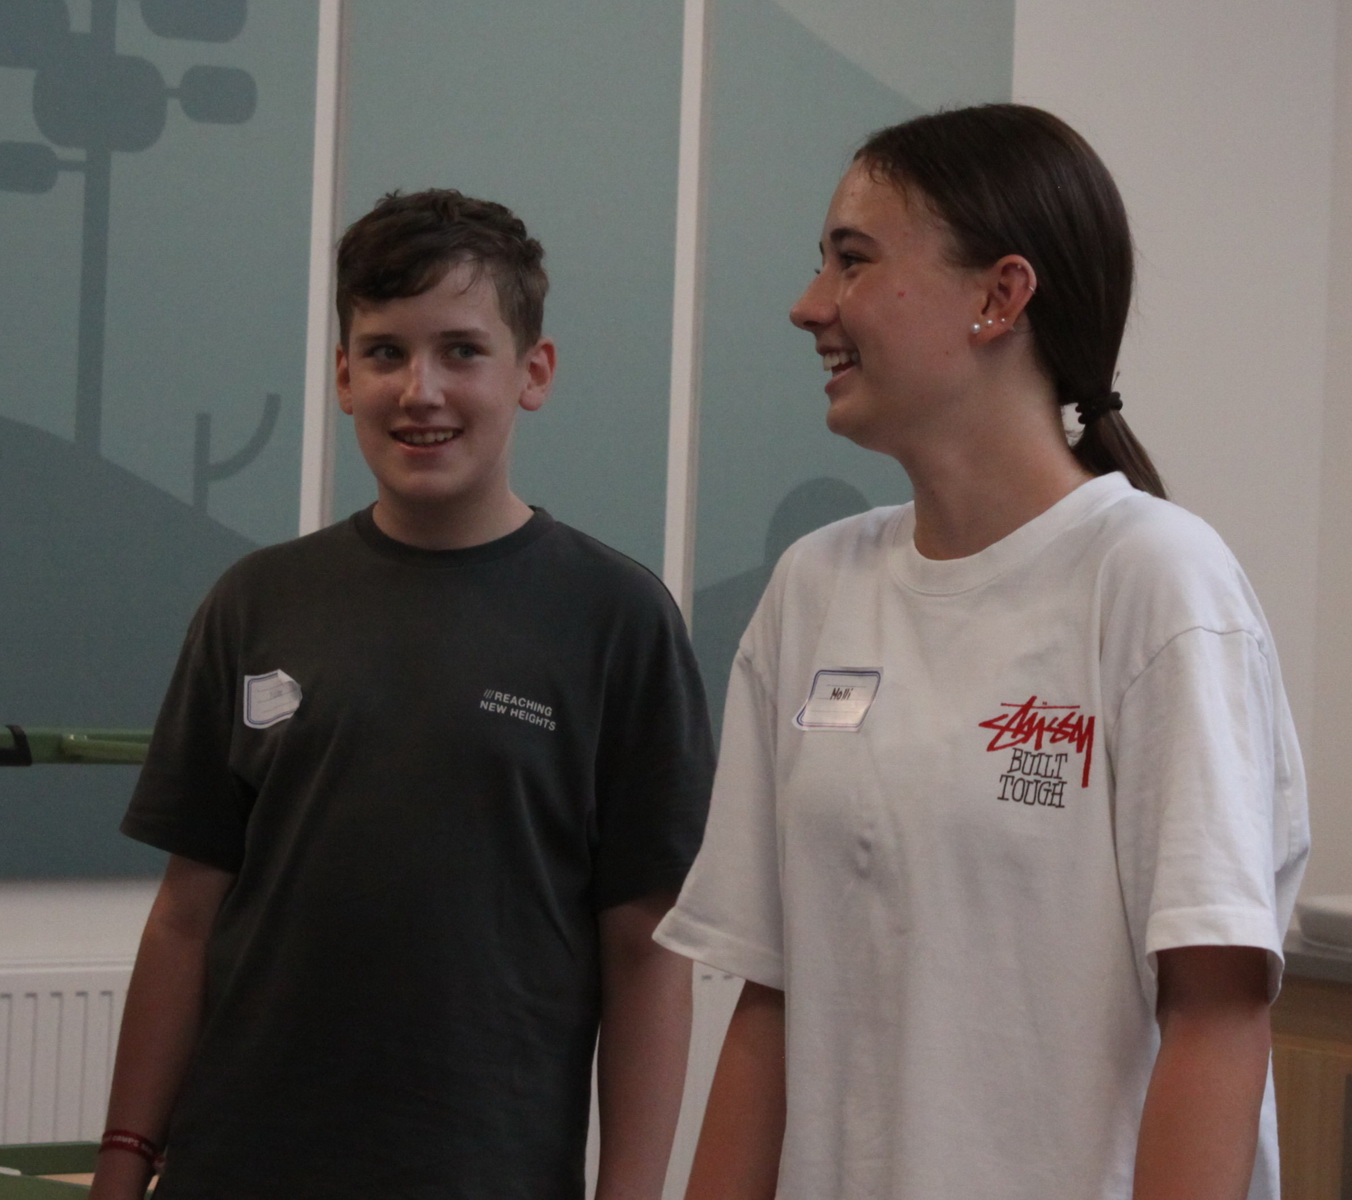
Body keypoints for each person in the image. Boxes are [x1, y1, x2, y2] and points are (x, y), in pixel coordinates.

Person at [655, 105, 1309, 1200]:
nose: (810, 304)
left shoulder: (1156, 582)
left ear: (1000, 297)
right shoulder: (815, 588)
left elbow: (1215, 1014)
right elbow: (771, 1002)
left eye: (853, 260)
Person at [92, 189, 715, 1200]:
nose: (420, 390)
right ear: (345, 375)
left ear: (534, 373)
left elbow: (646, 949)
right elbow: (184, 922)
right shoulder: (255, 603)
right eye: (385, 352)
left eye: (462, 351)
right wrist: (124, 1158)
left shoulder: (618, 620)